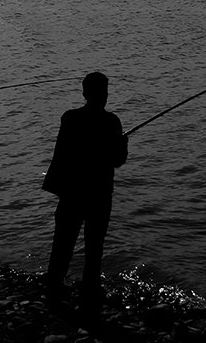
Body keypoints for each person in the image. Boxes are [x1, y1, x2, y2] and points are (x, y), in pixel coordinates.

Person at [42, 70, 129, 315]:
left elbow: (60, 155)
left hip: (71, 193)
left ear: (84, 93)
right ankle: (90, 294)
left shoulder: (70, 118)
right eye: (105, 91)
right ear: (102, 94)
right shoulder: (111, 121)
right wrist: (122, 144)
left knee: (62, 244)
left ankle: (54, 290)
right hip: (99, 195)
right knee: (94, 247)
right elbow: (118, 160)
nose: (105, 96)